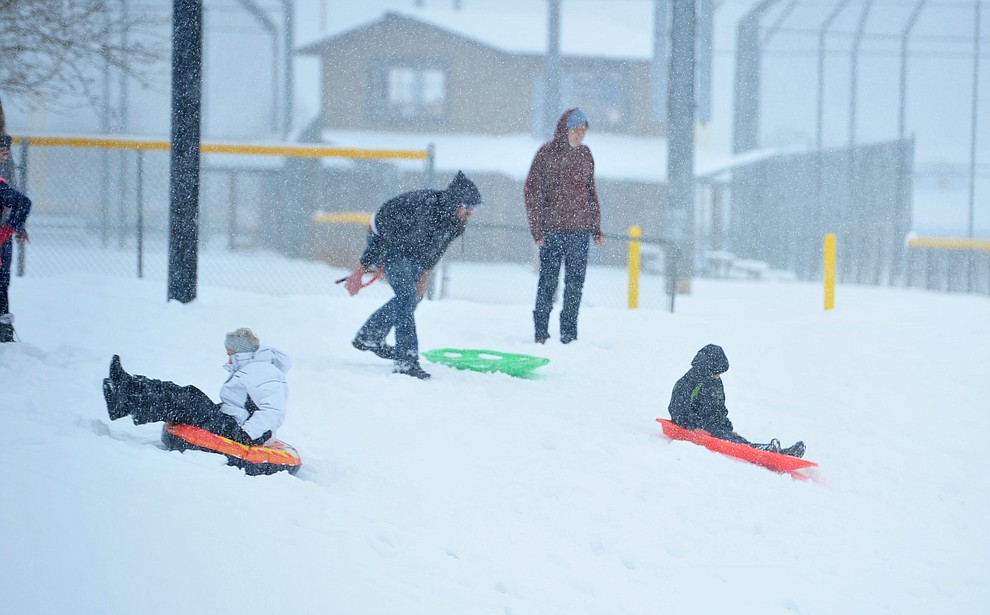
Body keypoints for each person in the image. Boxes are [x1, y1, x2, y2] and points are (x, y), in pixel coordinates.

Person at [344, 170, 483, 380]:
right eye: (468, 206)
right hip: (385, 237)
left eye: (474, 207)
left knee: (413, 296)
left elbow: (437, 248)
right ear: (455, 203)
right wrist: (359, 272)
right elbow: (385, 241)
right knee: (406, 297)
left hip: (412, 247)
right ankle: (405, 361)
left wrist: (424, 277)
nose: (471, 212)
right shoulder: (423, 210)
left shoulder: (455, 223)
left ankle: (369, 336)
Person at [101, 328, 290, 446]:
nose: (228, 359)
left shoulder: (264, 371)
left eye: (230, 353)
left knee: (186, 404)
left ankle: (125, 405)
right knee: (189, 393)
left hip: (244, 431)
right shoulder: (254, 367)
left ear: (241, 353)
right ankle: (128, 384)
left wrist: (247, 434)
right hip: (232, 419)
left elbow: (273, 410)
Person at [524, 107, 605, 345]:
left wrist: (595, 228)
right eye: (575, 130)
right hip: (552, 231)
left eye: (584, 130)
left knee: (575, 285)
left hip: (579, 232)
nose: (580, 135)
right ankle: (541, 333)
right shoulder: (546, 154)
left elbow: (591, 193)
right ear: (564, 130)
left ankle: (569, 335)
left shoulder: (586, 155)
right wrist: (537, 230)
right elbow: (532, 193)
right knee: (548, 282)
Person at [668, 344, 806, 458]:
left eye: (720, 373)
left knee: (735, 439)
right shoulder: (688, 382)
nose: (718, 376)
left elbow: (718, 408)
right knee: (730, 442)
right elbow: (677, 408)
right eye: (716, 372)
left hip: (711, 425)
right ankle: (765, 452)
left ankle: (778, 453)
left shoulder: (714, 381)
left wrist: (727, 427)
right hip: (693, 426)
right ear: (706, 368)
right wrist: (692, 426)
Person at [0, 96, 31, 343]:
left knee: (3, 278)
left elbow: (16, 193)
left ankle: (3, 327)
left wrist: (17, 227)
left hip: (4, 223)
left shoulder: (6, 156)